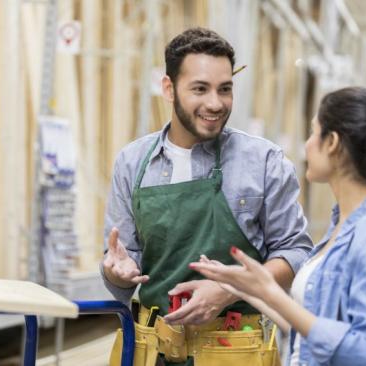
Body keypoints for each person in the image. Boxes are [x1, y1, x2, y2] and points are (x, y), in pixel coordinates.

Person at [101, 27, 313, 365]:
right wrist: (117, 272)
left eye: (225, 89)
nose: (215, 103)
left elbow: (296, 252)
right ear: (168, 88)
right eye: (200, 89)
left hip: (235, 350)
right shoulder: (132, 161)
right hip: (149, 349)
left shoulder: (263, 161)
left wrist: (232, 290)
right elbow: (123, 269)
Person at [190, 86, 366, 366]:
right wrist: (244, 287)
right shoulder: (341, 224)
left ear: (332, 142)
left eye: (313, 132)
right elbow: (310, 340)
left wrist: (275, 294)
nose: (307, 144)